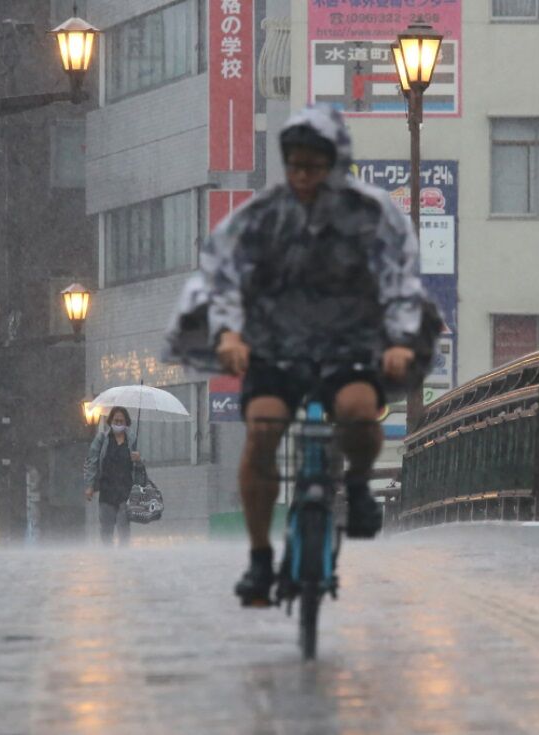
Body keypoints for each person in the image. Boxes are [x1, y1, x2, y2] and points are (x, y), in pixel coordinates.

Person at [165, 105, 439, 606]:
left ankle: (356, 486)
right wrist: (228, 334)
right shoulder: (261, 220)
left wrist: (399, 342)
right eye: (296, 166)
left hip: (346, 348)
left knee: (358, 411)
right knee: (264, 427)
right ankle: (259, 558)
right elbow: (225, 278)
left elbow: (399, 285)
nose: (304, 177)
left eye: (315, 167)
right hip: (276, 349)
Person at [83, 406, 141, 546]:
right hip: (107, 490)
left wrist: (138, 460)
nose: (118, 423)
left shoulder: (132, 440)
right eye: (116, 420)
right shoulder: (102, 439)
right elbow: (92, 461)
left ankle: (123, 558)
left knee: (124, 529)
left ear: (126, 422)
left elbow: (140, 468)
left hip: (125, 491)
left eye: (121, 421)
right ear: (110, 421)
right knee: (106, 530)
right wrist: (90, 485)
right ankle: (108, 558)